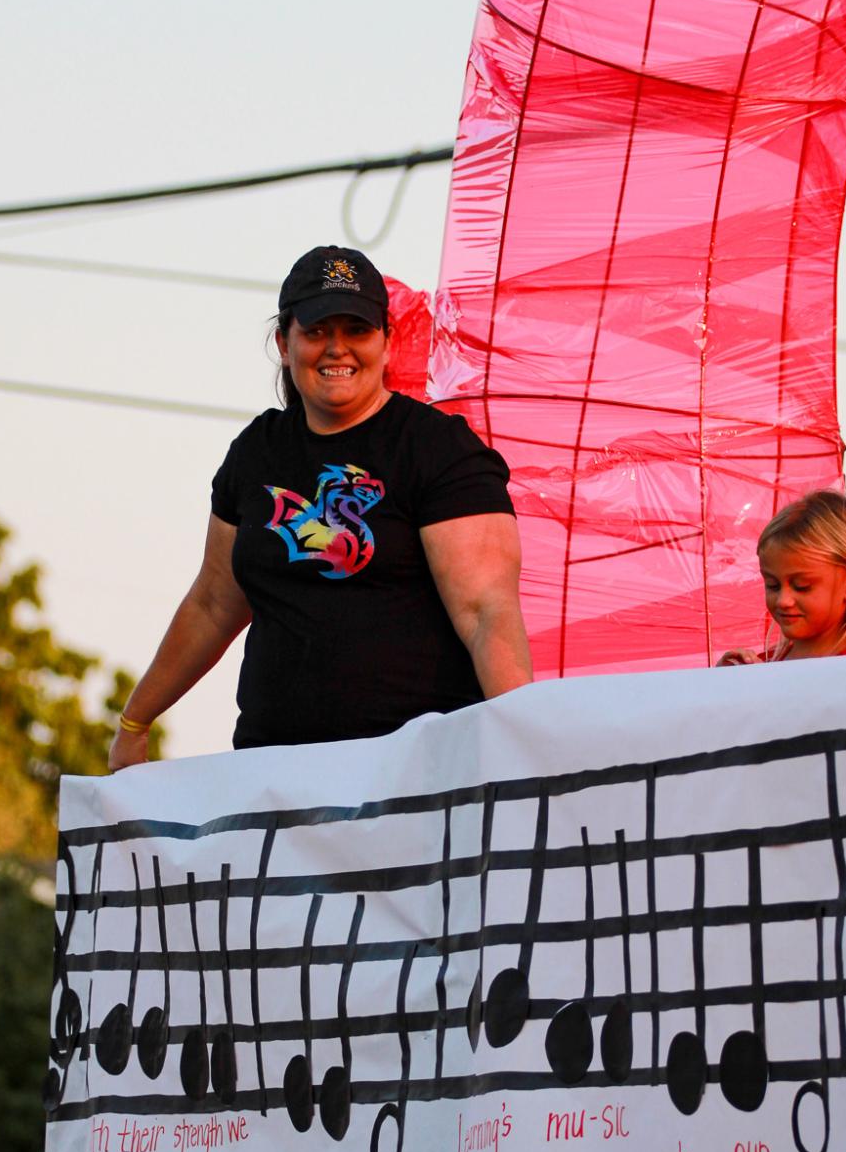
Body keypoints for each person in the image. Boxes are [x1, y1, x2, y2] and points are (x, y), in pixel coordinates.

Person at [109, 246, 532, 765]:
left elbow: (486, 611)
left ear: (387, 342)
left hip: (411, 776)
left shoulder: (437, 449)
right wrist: (136, 720)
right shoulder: (257, 451)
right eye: (316, 331)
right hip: (271, 779)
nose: (337, 349)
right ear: (284, 344)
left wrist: (521, 749)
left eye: (356, 330)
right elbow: (214, 603)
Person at [718, 490, 846, 666]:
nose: (783, 601)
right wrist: (725, 683)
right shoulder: (759, 666)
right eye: (773, 585)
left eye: (801, 586)